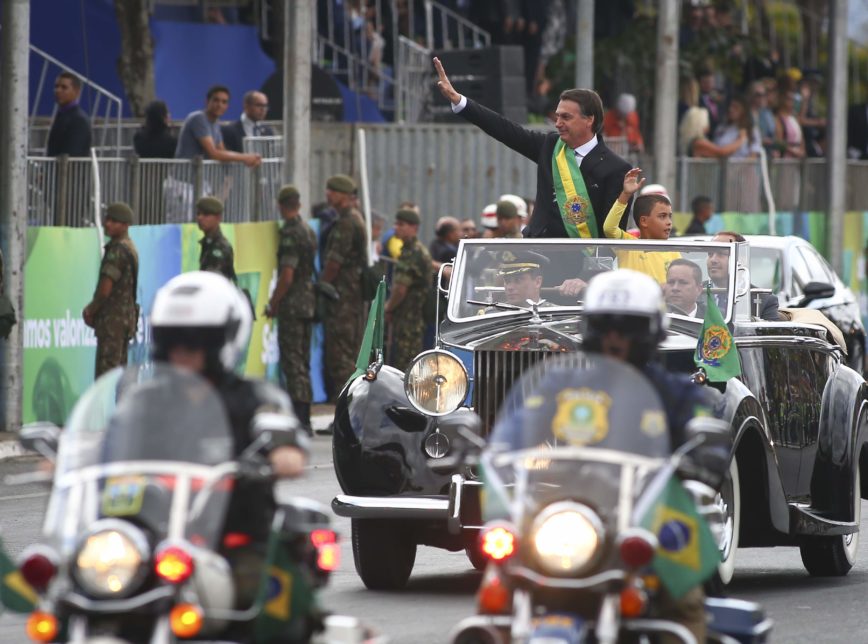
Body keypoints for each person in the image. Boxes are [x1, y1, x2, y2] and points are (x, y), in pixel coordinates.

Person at [149, 271, 307, 617]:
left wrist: (283, 451)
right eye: (172, 343)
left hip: (233, 533)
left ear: (220, 342)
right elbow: (116, 441)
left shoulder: (251, 397)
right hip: (157, 534)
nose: (182, 354)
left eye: (194, 344)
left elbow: (279, 428)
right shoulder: (148, 400)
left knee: (257, 595)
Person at [580, 269, 717, 642]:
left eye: (626, 327)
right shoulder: (565, 390)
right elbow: (524, 436)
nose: (614, 338)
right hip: (578, 512)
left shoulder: (676, 394)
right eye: (605, 326)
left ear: (651, 332)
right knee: (506, 580)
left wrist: (701, 459)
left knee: (684, 602)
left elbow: (707, 438)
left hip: (652, 513)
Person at [434, 58, 631, 239]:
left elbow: (612, 235)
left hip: (580, 266)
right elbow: (505, 130)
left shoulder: (616, 169)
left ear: (589, 120)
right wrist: (458, 100)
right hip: (535, 255)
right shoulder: (551, 146)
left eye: (566, 117)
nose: (558, 123)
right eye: (558, 116)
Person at [264, 185, 317, 435]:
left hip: (293, 305)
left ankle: (300, 420)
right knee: (303, 360)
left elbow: (287, 275)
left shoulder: (291, 233)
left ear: (281, 205)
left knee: (293, 362)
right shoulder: (308, 230)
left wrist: (273, 303)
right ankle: (304, 417)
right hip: (308, 302)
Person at [320, 174, 367, 401]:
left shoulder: (347, 222)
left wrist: (323, 283)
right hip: (350, 296)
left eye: (333, 191)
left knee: (341, 356)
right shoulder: (353, 218)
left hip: (343, 298)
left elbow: (334, 261)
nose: (328, 194)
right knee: (347, 352)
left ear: (344, 196)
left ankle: (345, 409)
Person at [82, 202, 139, 378]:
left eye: (114, 221)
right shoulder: (129, 246)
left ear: (125, 225)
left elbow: (105, 290)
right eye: (108, 219)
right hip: (124, 323)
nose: (108, 224)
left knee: (105, 379)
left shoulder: (117, 251)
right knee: (118, 378)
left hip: (112, 324)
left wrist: (90, 310)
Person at [601, 169, 681, 284]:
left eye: (670, 216)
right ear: (644, 221)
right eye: (662, 216)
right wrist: (626, 194)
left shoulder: (674, 251)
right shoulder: (628, 246)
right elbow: (609, 228)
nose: (669, 222)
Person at [385, 209, 432, 371]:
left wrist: (388, 307)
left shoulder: (413, 253)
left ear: (414, 228)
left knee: (404, 365)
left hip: (409, 319)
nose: (396, 227)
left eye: (401, 224)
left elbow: (400, 289)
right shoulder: (411, 250)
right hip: (409, 318)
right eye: (396, 223)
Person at [175, 85, 261, 167]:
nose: (220, 105)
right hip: (181, 181)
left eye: (224, 102)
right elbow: (214, 153)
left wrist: (246, 159)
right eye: (216, 100)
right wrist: (245, 157)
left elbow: (222, 151)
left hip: (199, 180)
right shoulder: (198, 118)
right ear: (207, 101)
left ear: (227, 106)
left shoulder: (216, 123)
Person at [708, 231, 781, 321]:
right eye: (710, 254)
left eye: (721, 254)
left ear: (741, 259)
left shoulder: (764, 300)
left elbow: (768, 333)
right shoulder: (694, 293)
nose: (713, 260)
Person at [46, 71, 92, 157]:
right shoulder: (62, 114)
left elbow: (73, 155)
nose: (58, 90)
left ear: (77, 91)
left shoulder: (78, 120)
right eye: (56, 86)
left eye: (64, 87)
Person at [678, 106, 746, 158]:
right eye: (706, 122)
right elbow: (721, 152)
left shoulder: (692, 141)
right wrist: (741, 139)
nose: (708, 126)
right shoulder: (698, 142)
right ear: (699, 124)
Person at [196, 196, 236, 281]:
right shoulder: (207, 243)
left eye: (206, 215)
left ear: (218, 218)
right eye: (198, 214)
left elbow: (213, 280)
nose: (200, 218)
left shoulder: (220, 247)